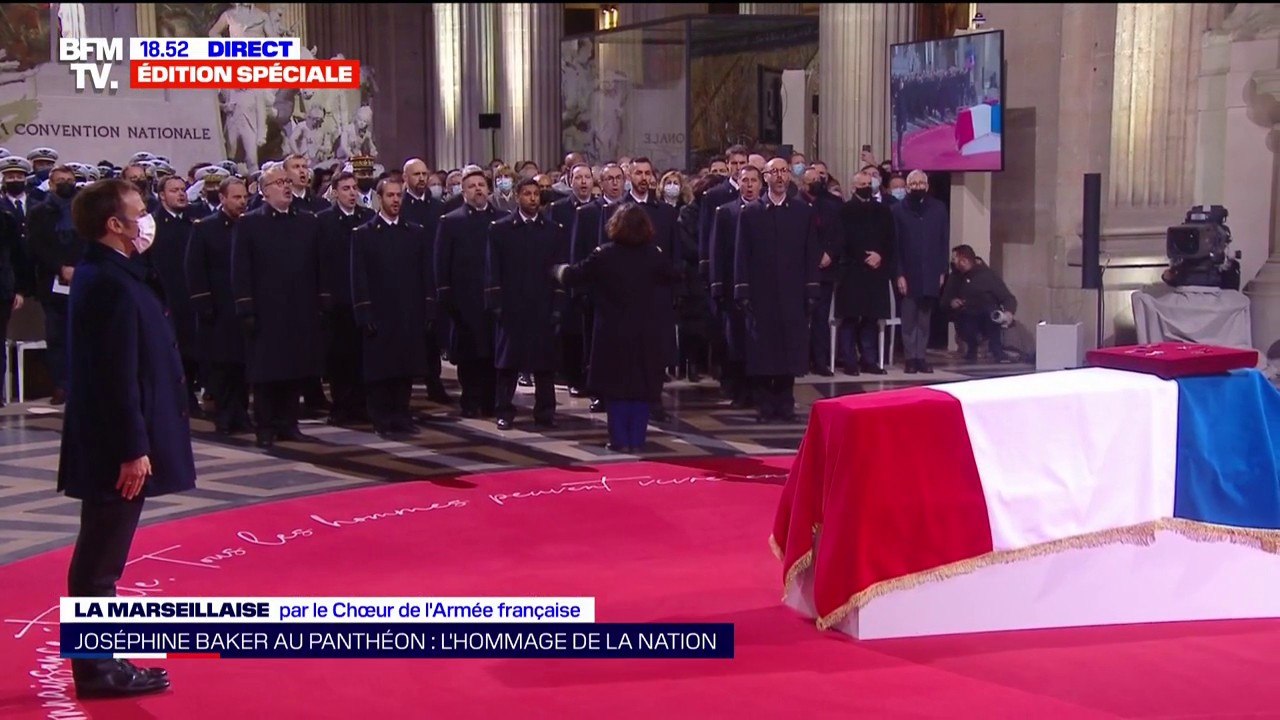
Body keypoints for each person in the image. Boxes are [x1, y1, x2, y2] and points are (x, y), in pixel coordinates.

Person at [60, 178, 196, 698]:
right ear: (114, 224)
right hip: (113, 447)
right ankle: (96, 670)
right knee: (99, 562)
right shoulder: (107, 281)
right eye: (139, 211)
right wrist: (132, 448)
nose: (147, 219)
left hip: (116, 439)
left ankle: (104, 661)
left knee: (103, 562)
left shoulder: (115, 272)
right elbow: (114, 374)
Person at [554, 204, 680, 452]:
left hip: (611, 332)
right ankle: (637, 439)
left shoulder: (605, 254)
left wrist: (555, 269)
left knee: (616, 388)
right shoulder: (654, 255)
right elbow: (675, 275)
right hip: (646, 331)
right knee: (642, 387)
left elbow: (574, 275)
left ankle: (619, 440)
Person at [231, 163, 328, 447]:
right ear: (263, 191)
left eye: (288, 181)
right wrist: (245, 308)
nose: (286, 186)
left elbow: (319, 265)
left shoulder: (308, 221)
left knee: (295, 369)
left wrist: (322, 301)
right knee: (267, 373)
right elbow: (240, 270)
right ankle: (265, 426)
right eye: (279, 183)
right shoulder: (250, 223)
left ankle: (289, 422)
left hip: (300, 308)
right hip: (266, 310)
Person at [734, 159, 821, 423]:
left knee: (789, 349)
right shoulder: (750, 212)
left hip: (793, 293)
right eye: (775, 172)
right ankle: (764, 404)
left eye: (784, 171)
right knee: (763, 350)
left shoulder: (802, 212)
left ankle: (785, 402)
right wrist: (743, 290)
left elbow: (810, 253)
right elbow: (742, 254)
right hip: (761, 294)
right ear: (766, 177)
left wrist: (811, 289)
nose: (780, 176)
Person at [351, 178, 435, 437]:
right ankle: (382, 418)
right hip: (379, 312)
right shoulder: (363, 234)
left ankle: (402, 414)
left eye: (399, 195)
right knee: (380, 370)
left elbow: (425, 273)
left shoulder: (415, 232)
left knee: (405, 368)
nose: (396, 200)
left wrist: (429, 308)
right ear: (380, 199)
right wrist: (364, 312)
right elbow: (359, 277)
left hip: (408, 311)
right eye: (390, 195)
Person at [485, 178, 566, 430]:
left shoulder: (553, 230)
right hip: (512, 306)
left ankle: (545, 413)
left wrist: (558, 305)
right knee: (508, 364)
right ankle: (504, 411)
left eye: (536, 194)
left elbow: (560, 269)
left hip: (542, 304)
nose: (532, 198)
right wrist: (495, 303)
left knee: (544, 365)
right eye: (527, 194)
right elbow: (492, 269)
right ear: (518, 196)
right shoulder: (500, 229)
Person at [186, 176, 254, 435]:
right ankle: (225, 415)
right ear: (223, 198)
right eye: (236, 197)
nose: (242, 202)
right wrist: (203, 303)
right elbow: (194, 268)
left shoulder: (250, 225)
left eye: (244, 197)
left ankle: (242, 414)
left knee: (242, 365)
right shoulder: (205, 228)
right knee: (222, 366)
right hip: (218, 308)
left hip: (244, 306)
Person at [834, 171, 896, 375]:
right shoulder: (844, 211)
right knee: (850, 318)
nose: (867, 186)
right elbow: (842, 241)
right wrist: (863, 256)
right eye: (863, 183)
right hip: (852, 271)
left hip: (876, 272)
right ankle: (849, 360)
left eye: (870, 183)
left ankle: (869, 360)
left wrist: (880, 256)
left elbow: (890, 239)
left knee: (871, 318)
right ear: (853, 187)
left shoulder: (883, 211)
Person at [891, 170, 950, 374]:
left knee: (924, 319)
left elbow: (944, 241)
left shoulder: (938, 208)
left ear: (927, 185)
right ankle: (910, 358)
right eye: (913, 183)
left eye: (921, 183)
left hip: (931, 271)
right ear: (907, 187)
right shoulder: (897, 210)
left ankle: (921, 356)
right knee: (909, 318)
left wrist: (943, 270)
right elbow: (895, 246)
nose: (917, 186)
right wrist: (899, 274)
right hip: (908, 272)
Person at [942, 244, 1016, 362]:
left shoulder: (987, 276)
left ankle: (996, 349)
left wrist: (1008, 312)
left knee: (990, 311)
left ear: (964, 261)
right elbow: (945, 300)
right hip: (966, 316)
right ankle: (971, 349)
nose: (952, 262)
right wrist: (952, 302)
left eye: (955, 259)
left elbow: (1008, 297)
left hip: (988, 316)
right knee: (966, 318)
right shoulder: (955, 278)